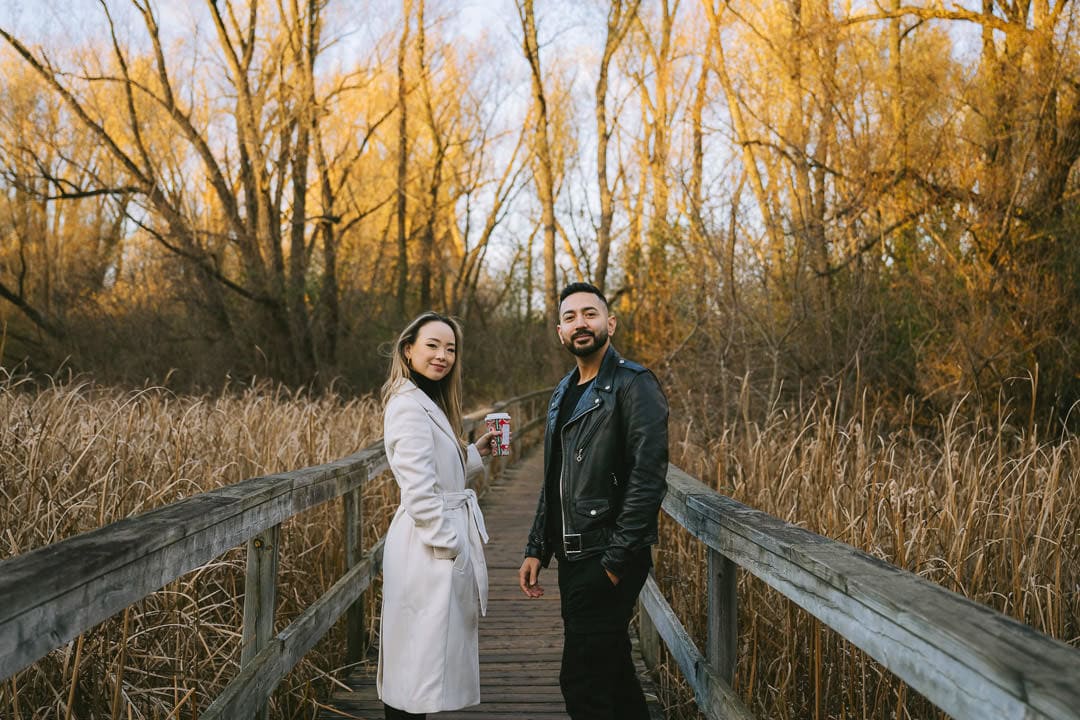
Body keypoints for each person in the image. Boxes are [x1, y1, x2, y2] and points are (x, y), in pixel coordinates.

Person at [518, 282, 669, 720]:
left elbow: (647, 477)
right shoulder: (565, 390)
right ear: (560, 331)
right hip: (572, 553)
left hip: (607, 554)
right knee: (613, 672)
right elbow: (555, 479)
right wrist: (536, 547)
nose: (580, 323)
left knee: (582, 682)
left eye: (590, 313)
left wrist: (615, 561)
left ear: (610, 323)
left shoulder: (633, 384)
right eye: (570, 317)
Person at [378, 311, 498, 720]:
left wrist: (474, 453)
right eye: (432, 345)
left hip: (434, 541)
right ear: (408, 349)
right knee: (415, 669)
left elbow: (438, 471)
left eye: (450, 348)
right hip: (427, 546)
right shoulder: (407, 406)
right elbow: (419, 491)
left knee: (421, 665)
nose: (442, 355)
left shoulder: (427, 401)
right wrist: (452, 547)